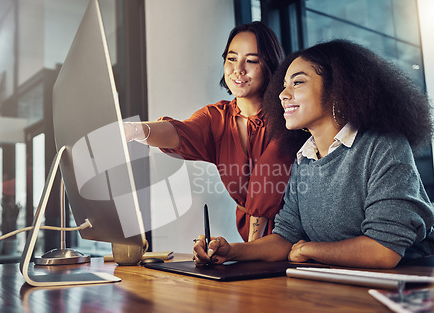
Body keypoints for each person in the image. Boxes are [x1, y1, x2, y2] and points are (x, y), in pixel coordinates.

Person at [194, 39, 434, 268]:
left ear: (338, 90)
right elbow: (285, 237)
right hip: (337, 285)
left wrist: (310, 250)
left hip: (407, 283)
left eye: (297, 83)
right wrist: (231, 251)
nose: (282, 95)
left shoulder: (383, 147)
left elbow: (384, 251)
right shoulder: (304, 158)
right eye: (284, 85)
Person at [125, 22, 307, 242]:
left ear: (269, 65)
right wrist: (134, 130)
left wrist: (250, 250)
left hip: (297, 236)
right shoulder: (217, 118)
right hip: (251, 239)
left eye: (251, 60)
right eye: (231, 58)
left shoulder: (289, 113)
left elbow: (270, 174)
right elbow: (179, 133)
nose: (238, 69)